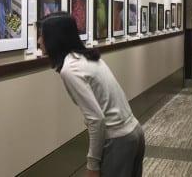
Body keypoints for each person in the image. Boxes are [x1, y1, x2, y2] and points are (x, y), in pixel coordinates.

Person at [38, 12, 145, 177]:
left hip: (118, 141)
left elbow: (96, 119)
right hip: (134, 133)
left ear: (54, 38)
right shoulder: (87, 57)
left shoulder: (70, 69)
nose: (39, 41)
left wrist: (92, 164)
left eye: (42, 36)